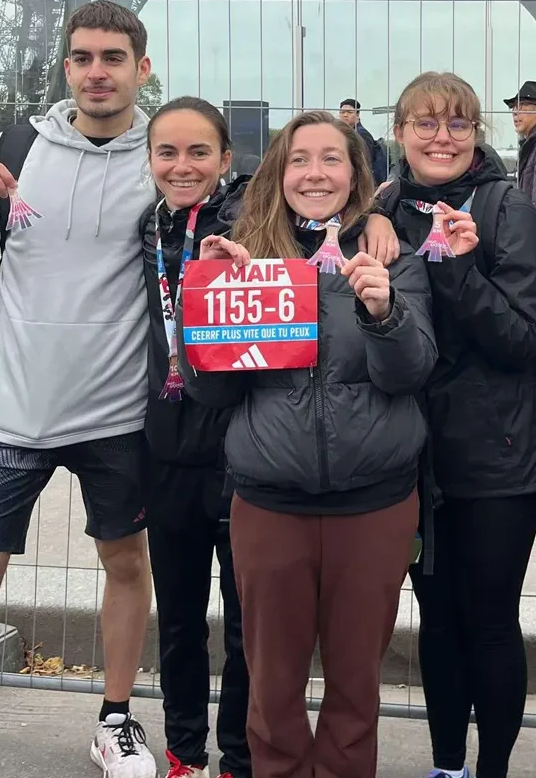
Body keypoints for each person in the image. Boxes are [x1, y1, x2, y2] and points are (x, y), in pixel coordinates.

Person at [0, 0, 159, 778]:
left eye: (112, 58)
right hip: (12, 410)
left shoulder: (166, 155)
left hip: (118, 409)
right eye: (82, 57)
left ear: (139, 69)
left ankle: (115, 718)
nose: (96, 71)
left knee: (125, 564)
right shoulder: (15, 146)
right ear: (66, 67)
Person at [176, 109, 437, 778]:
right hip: (270, 503)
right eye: (299, 159)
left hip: (373, 505)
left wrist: (385, 315)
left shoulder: (387, 254)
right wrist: (209, 304)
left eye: (330, 159)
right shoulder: (244, 254)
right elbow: (211, 395)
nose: (314, 173)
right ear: (278, 173)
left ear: (357, 175)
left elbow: (411, 373)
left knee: (356, 694)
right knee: (271, 693)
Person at [378, 72, 536, 778]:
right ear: (400, 133)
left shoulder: (508, 209)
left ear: (477, 132)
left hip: (498, 454)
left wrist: (458, 267)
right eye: (425, 123)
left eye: (457, 123)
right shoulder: (384, 208)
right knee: (439, 621)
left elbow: (521, 338)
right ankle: (448, 764)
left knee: (486, 620)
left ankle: (491, 771)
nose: (442, 137)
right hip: (416, 454)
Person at [140, 97, 251, 778]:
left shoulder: (252, 222)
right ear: (149, 159)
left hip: (239, 450)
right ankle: (185, 750)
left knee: (247, 628)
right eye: (168, 153)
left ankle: (239, 757)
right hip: (166, 451)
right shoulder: (142, 228)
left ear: (226, 160)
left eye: (199, 153)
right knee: (179, 620)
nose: (183, 167)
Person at [339, 97, 389, 184]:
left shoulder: (362, 134)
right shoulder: (346, 133)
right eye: (342, 112)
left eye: (350, 112)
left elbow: (365, 161)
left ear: (358, 115)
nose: (345, 115)